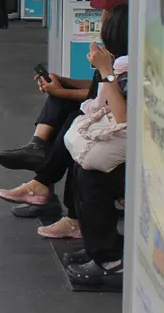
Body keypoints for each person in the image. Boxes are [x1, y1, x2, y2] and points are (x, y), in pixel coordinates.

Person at [0, 0, 129, 240]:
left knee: (71, 123)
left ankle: (43, 179)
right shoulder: (113, 56)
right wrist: (64, 82)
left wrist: (73, 87)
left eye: (105, 13)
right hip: (105, 115)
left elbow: (108, 103)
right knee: (64, 105)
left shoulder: (123, 63)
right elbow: (96, 90)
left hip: (114, 131)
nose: (100, 18)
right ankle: (38, 151)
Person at [63, 16, 130, 289]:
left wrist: (106, 71)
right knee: (83, 168)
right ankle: (98, 248)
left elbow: (122, 115)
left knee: (93, 177)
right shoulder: (124, 64)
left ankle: (109, 260)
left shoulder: (129, 68)